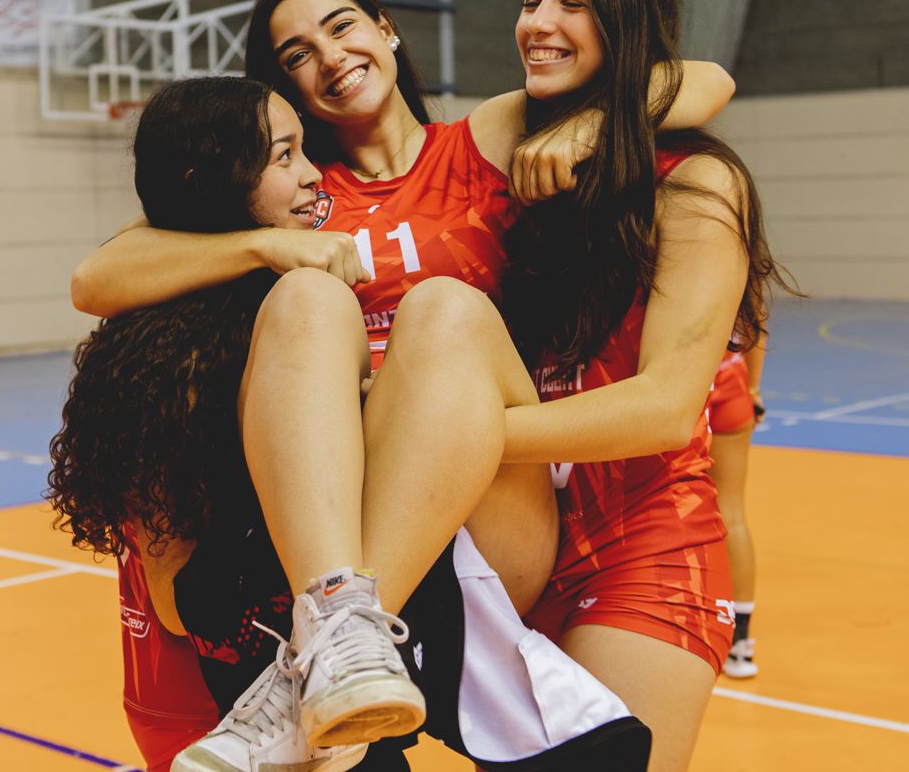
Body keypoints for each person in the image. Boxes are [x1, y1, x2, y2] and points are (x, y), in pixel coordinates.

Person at [50, 76, 652, 772]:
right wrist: (263, 252)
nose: (312, 176)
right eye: (283, 156)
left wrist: (425, 432)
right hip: (245, 646)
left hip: (459, 562)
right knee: (313, 297)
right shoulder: (161, 337)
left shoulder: (404, 194)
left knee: (445, 309)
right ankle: (333, 640)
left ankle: (333, 635)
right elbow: (177, 599)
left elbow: (692, 81)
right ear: (217, 173)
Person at [496, 0, 788, 771]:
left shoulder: (695, 181)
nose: (539, 21)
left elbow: (664, 407)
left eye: (573, 4)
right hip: (516, 543)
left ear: (626, 26)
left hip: (643, 541)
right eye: (530, 0)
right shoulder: (508, 155)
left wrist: (452, 438)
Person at [707, 329, 768, 678]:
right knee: (732, 510)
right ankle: (740, 644)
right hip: (732, 377)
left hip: (689, 388)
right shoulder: (741, 272)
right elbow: (756, 322)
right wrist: (752, 388)